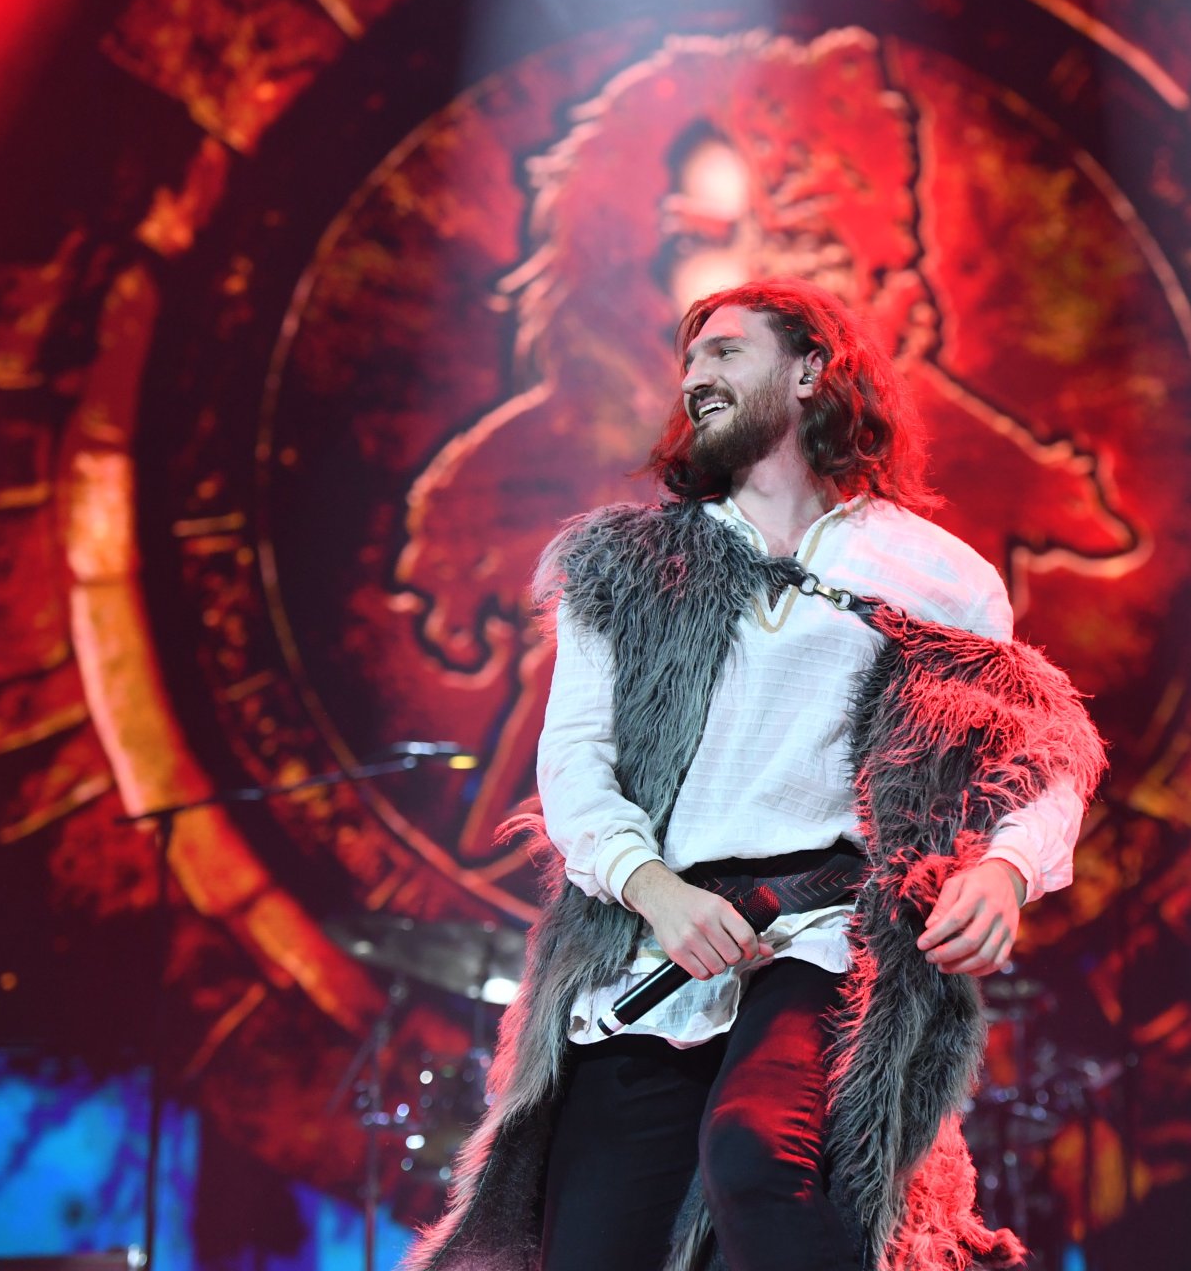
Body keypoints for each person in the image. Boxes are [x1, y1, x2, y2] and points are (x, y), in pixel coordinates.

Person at [402, 279, 1104, 1271]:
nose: (696, 376)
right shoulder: (627, 565)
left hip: (830, 937)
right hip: (661, 934)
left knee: (756, 1155)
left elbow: (1038, 749)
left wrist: (1007, 869)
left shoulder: (933, 574)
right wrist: (656, 889)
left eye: (726, 351)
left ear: (811, 371)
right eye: (689, 359)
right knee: (593, 1243)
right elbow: (574, 762)